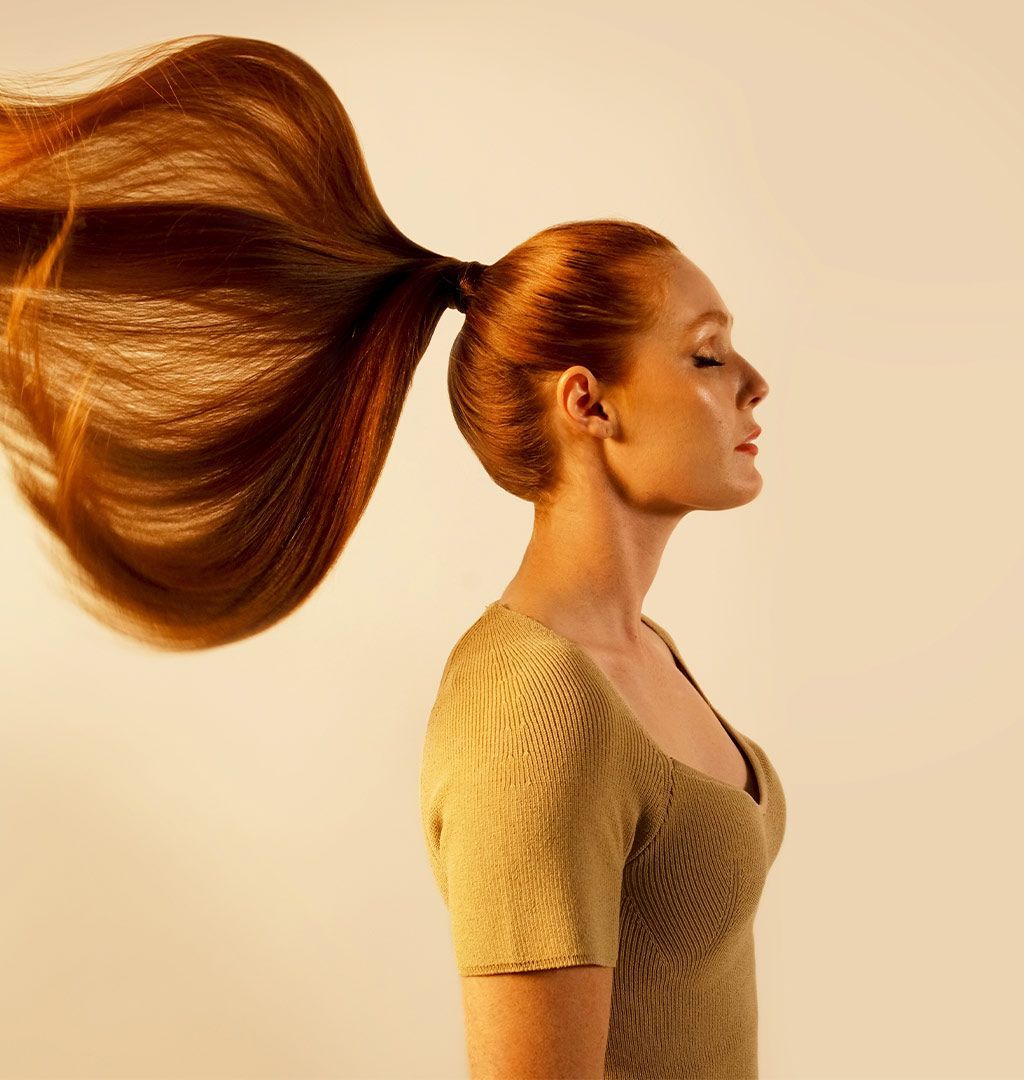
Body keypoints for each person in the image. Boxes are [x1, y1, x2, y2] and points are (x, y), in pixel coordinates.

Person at [0, 33, 785, 1077]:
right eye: (706, 352)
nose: (755, 382)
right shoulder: (534, 709)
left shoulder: (647, 653)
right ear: (587, 402)